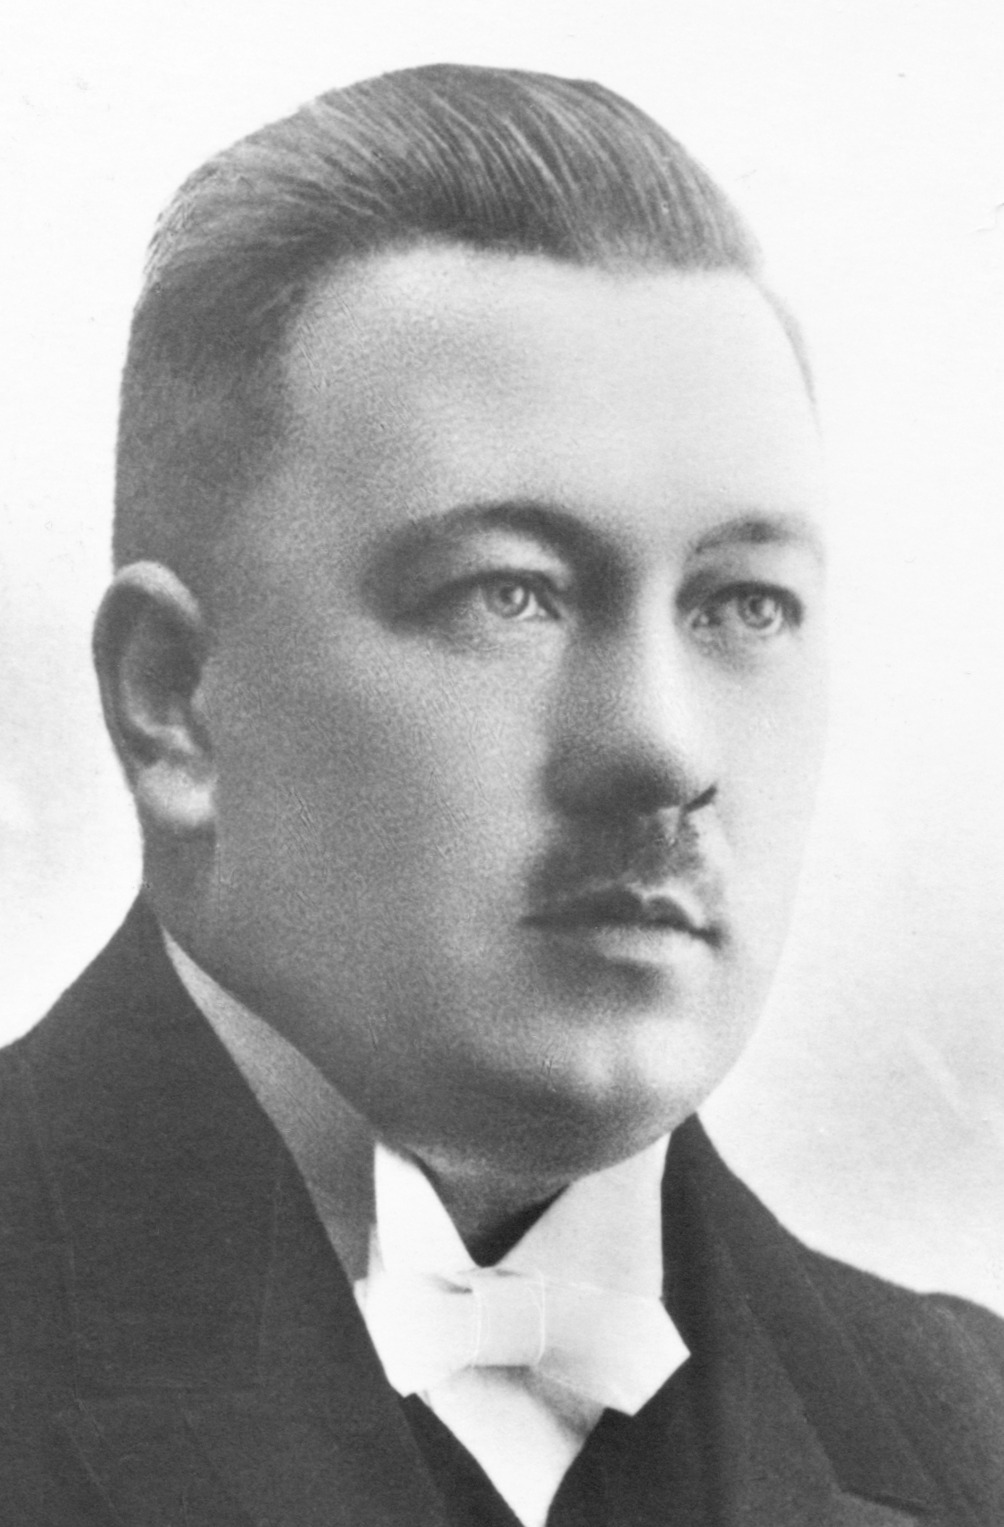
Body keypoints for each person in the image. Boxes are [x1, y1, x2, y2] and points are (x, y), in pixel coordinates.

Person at [0, 63, 1000, 1527]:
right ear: (176, 704)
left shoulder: (970, 1437)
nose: (663, 749)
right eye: (509, 594)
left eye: (742, 605)